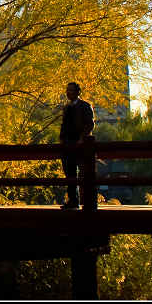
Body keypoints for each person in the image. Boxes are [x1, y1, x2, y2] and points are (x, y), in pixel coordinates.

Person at [59, 81, 95, 209]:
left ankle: (88, 202)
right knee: (69, 173)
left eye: (71, 90)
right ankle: (73, 200)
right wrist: (61, 139)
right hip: (68, 145)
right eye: (67, 90)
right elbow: (63, 126)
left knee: (85, 174)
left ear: (78, 92)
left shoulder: (85, 106)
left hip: (81, 145)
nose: (69, 92)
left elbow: (90, 124)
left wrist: (82, 139)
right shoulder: (67, 108)